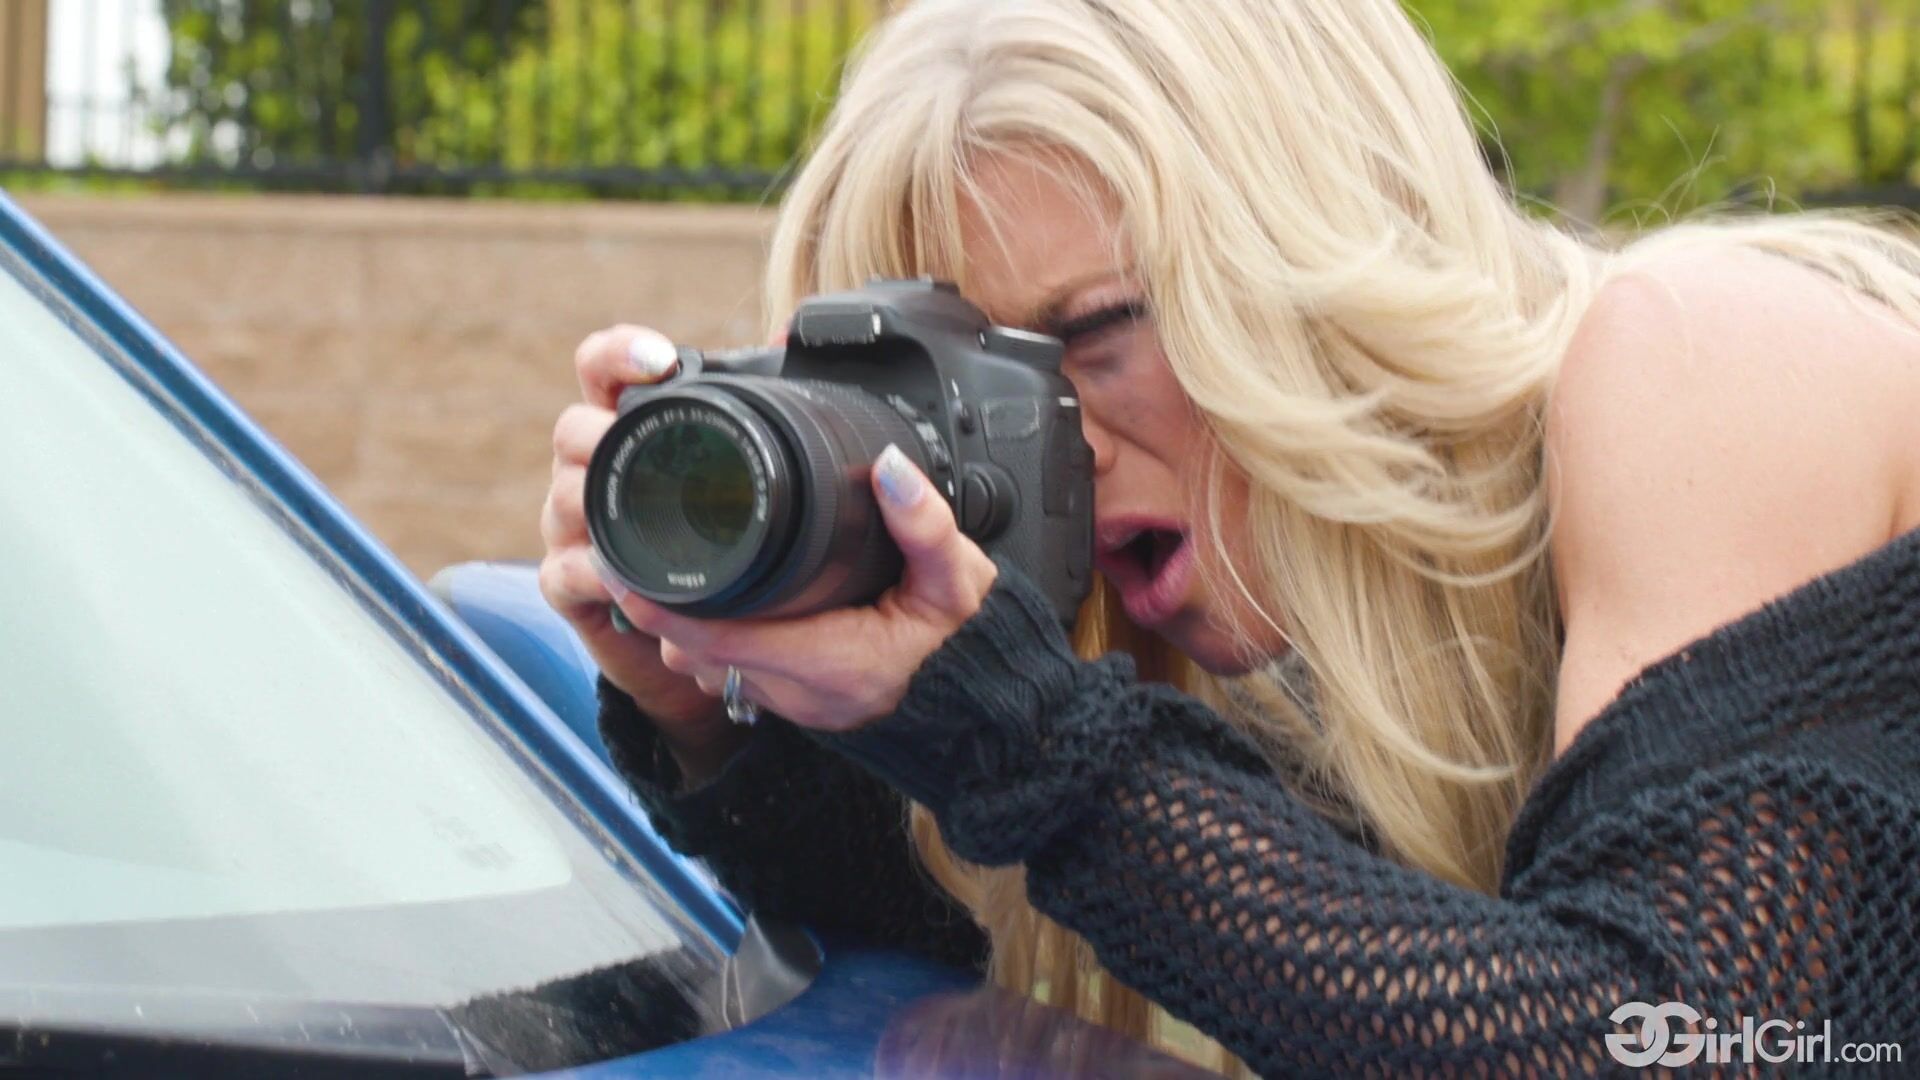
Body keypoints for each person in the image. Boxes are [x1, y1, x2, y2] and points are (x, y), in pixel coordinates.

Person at [540, 0, 1920, 1073]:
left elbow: (1671, 1045)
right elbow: (935, 1007)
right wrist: (710, 702)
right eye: (966, 392)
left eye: (1096, 332)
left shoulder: (1718, 360)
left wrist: (1018, 740)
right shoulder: (1275, 625)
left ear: (1325, 248)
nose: (1054, 445)